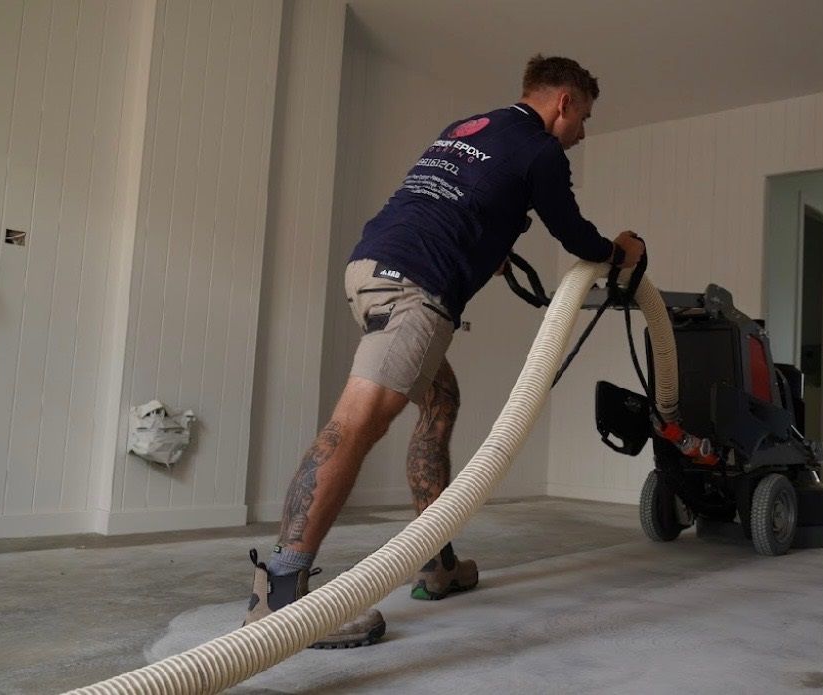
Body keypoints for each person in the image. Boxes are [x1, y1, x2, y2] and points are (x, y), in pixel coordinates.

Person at [243, 54, 647, 648]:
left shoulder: (468, 128)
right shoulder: (541, 152)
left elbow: (453, 199)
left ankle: (436, 560)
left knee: (440, 401)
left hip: (370, 267)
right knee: (355, 425)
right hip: (416, 288)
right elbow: (574, 236)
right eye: (583, 117)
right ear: (563, 101)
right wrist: (622, 250)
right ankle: (279, 594)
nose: (582, 132)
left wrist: (490, 242)